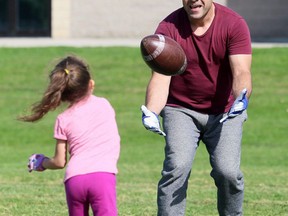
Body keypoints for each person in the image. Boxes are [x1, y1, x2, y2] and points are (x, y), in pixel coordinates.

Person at [141, 0, 252, 215]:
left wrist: (241, 99)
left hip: (225, 110)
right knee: (177, 167)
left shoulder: (234, 24)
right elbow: (161, 78)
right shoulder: (169, 27)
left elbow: (241, 72)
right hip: (180, 109)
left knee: (227, 172)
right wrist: (152, 112)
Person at [19, 56, 120, 216]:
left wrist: (42, 162)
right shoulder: (104, 104)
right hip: (102, 177)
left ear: (63, 93)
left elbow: (59, 162)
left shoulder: (63, 119)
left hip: (74, 179)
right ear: (91, 84)